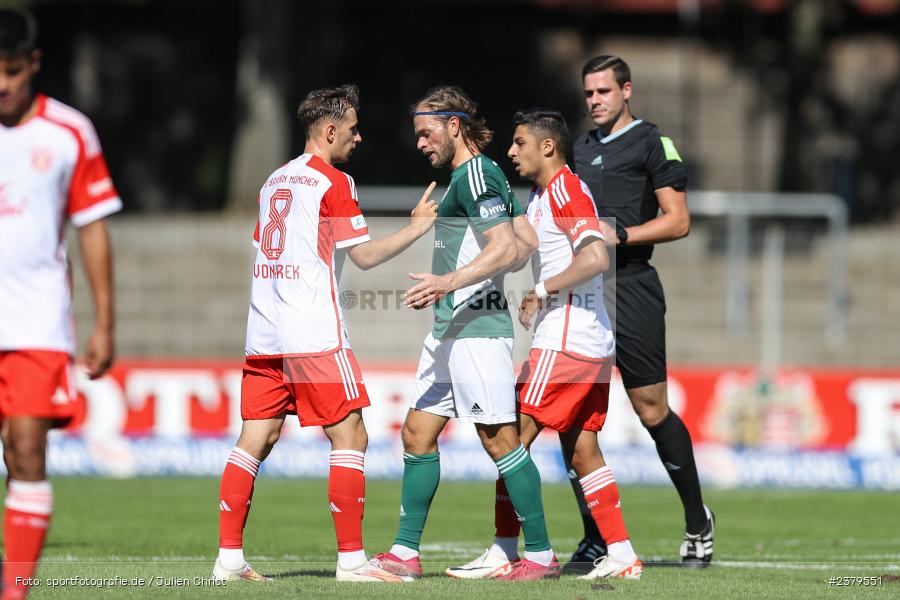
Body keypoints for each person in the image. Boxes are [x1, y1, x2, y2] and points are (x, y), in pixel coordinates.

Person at [212, 84, 438, 584]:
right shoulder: (334, 182)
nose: (359, 137)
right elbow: (365, 256)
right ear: (330, 131)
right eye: (353, 129)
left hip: (264, 330)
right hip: (312, 332)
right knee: (351, 433)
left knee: (255, 437)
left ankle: (228, 560)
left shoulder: (274, 180)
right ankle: (352, 562)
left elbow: (265, 247)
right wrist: (417, 228)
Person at [446, 109, 644, 580]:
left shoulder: (567, 190)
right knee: (582, 450)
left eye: (519, 143)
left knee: (509, 439)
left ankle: (510, 551)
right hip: (585, 342)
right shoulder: (541, 196)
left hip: (567, 342)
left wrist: (540, 290)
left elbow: (595, 257)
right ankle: (622, 554)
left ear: (548, 147)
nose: (511, 152)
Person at [372, 86, 560, 581]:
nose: (420, 143)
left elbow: (508, 245)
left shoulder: (476, 173)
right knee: (417, 433)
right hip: (449, 329)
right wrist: (488, 268)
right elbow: (525, 241)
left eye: (425, 132)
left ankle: (541, 555)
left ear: (454, 125)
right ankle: (405, 554)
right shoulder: (475, 174)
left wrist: (449, 282)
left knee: (500, 441)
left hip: (477, 329)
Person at [564, 55, 714, 571]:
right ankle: (594, 537)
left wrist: (621, 234)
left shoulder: (653, 142)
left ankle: (697, 521)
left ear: (627, 90)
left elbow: (679, 221)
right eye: (588, 93)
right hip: (584, 291)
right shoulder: (579, 148)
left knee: (651, 410)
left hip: (632, 286)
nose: (594, 101)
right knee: (573, 416)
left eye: (603, 91)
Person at [0, 9, 120, 600]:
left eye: (12, 71)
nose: (1, 84)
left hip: (35, 321)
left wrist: (104, 323)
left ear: (33, 64)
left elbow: (91, 227)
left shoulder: (69, 132)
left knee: (26, 448)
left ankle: (15, 590)